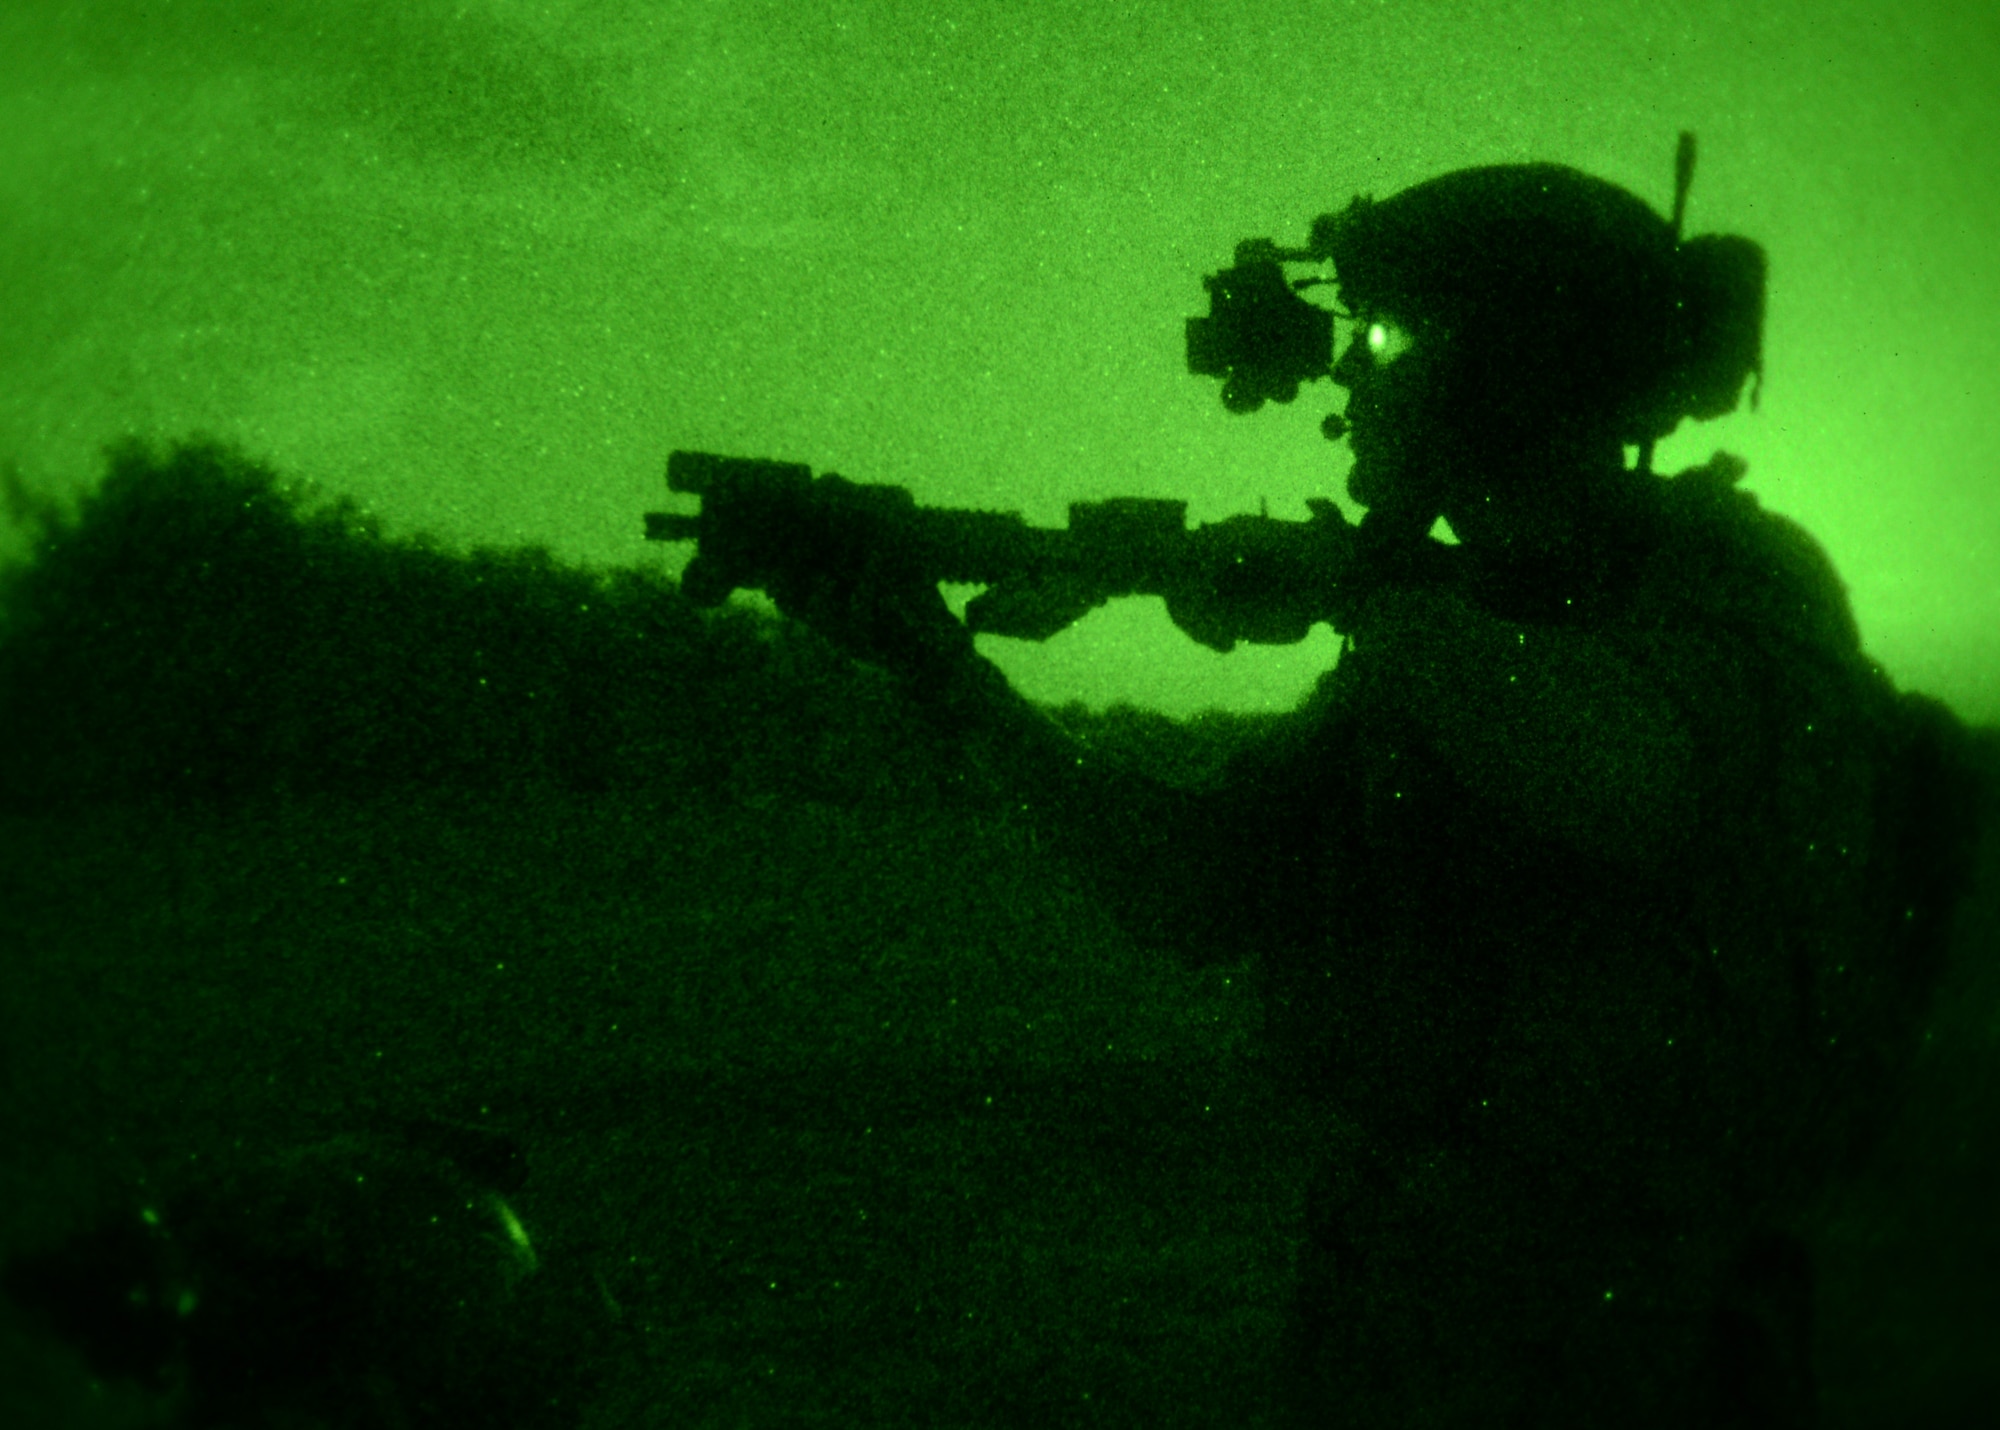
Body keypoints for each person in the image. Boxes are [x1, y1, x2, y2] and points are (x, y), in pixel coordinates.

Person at [774, 159, 1985, 1425]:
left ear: (1516, 369)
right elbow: (1183, 885)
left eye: (1396, 334)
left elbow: (1630, 775)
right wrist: (947, 677)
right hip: (1413, 1309)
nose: (1352, 380)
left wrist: (1358, 594)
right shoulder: (1448, 624)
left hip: (1640, 1331)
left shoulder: (1731, 577)